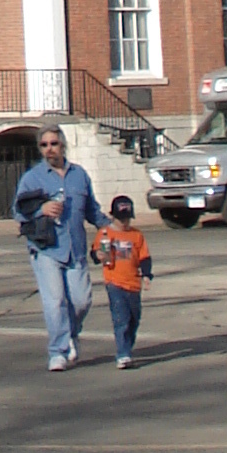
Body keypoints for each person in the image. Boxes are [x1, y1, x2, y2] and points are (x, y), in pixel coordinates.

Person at [13, 123, 108, 371]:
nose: (49, 150)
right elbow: (18, 211)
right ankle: (58, 351)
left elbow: (92, 211)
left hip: (75, 248)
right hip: (46, 248)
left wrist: (111, 226)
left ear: (63, 145)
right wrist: (40, 210)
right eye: (44, 145)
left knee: (81, 300)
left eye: (53, 144)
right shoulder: (32, 178)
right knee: (55, 302)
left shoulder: (79, 175)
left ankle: (70, 335)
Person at [91, 194, 154, 370]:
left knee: (134, 319)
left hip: (133, 283)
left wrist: (147, 274)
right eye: (120, 219)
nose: (124, 223)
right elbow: (95, 253)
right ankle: (123, 354)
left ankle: (127, 346)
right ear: (113, 216)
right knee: (121, 318)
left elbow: (145, 257)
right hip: (114, 282)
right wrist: (98, 255)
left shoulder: (136, 235)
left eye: (127, 219)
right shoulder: (105, 233)